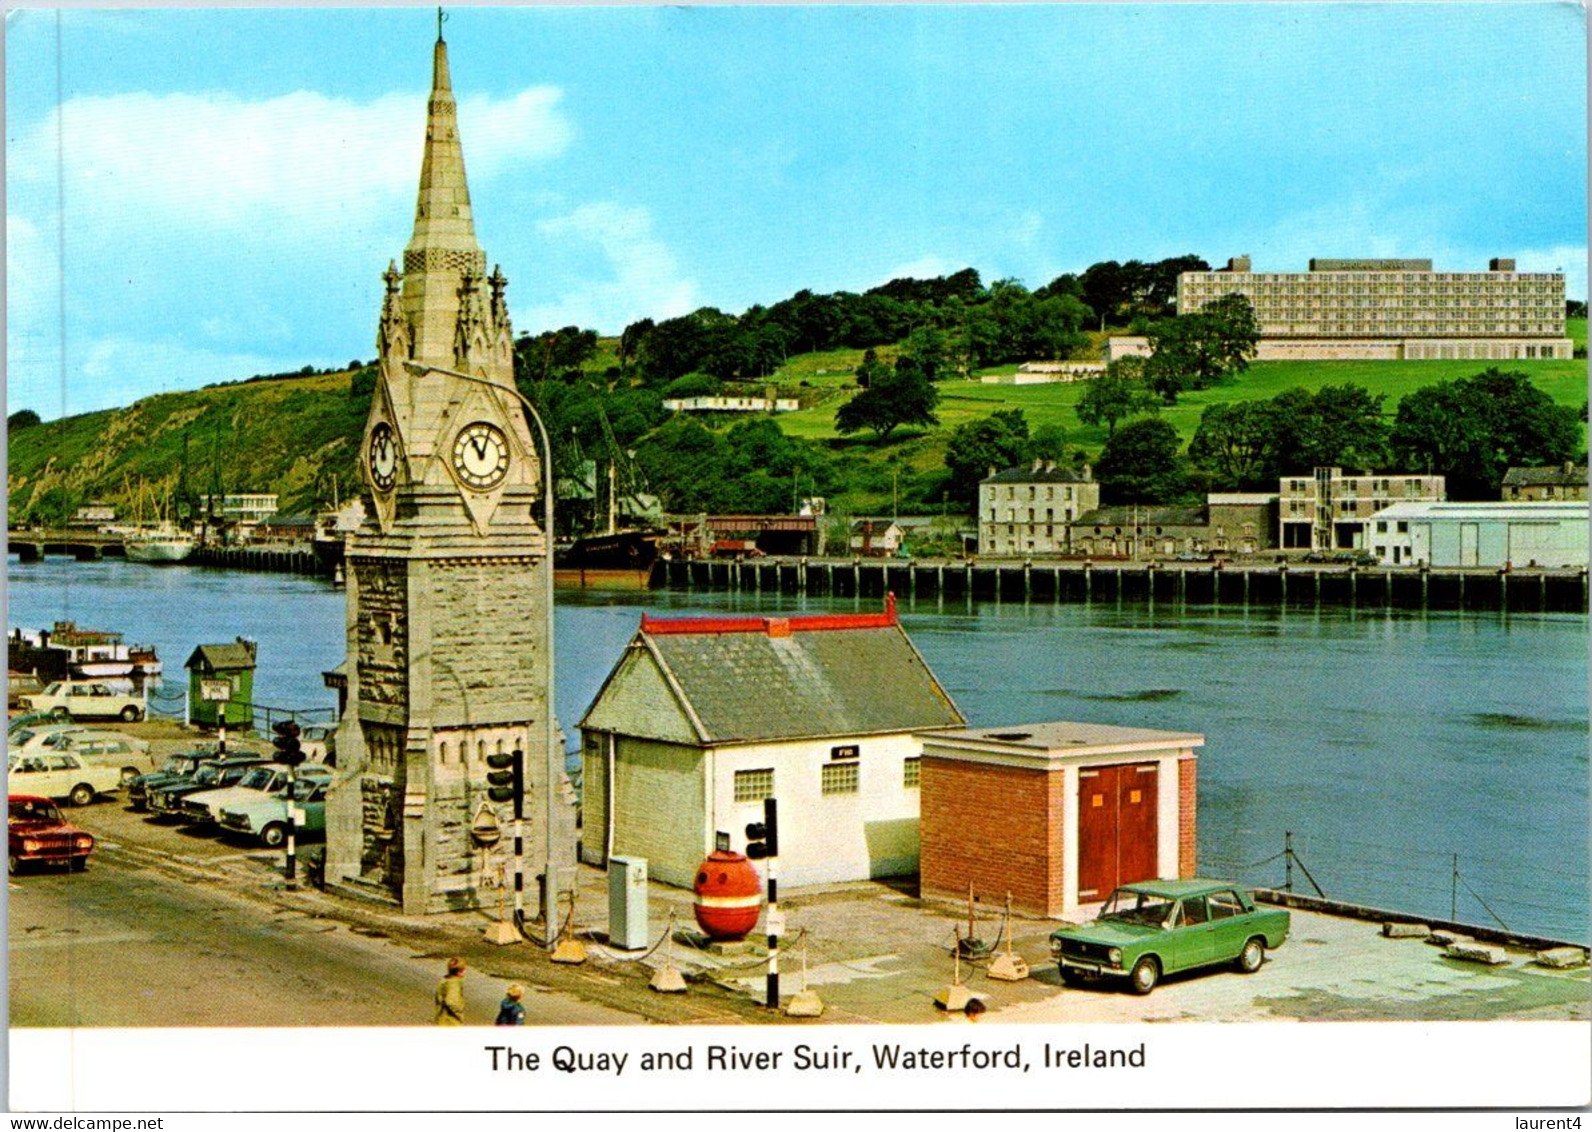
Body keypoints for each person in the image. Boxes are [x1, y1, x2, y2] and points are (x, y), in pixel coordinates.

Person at [434, 957, 466, 1025]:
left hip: (441, 1018)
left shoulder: (444, 980)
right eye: (464, 970)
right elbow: (451, 1002)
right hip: (450, 1021)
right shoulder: (454, 984)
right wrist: (459, 1014)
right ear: (459, 972)